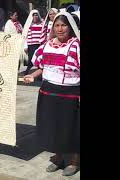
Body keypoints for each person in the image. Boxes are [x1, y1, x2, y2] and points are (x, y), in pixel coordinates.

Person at [23, 11, 80, 176]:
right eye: (57, 25)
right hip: (48, 92)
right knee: (53, 127)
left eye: (63, 25)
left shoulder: (76, 45)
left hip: (71, 93)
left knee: (72, 128)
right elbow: (42, 67)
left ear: (70, 27)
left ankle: (75, 160)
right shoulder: (47, 45)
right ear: (52, 27)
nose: (60, 29)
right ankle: (58, 157)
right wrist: (32, 75)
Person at [22, 9, 43, 75]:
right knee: (31, 59)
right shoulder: (28, 25)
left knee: (39, 58)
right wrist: (25, 46)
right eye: (34, 15)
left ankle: (38, 73)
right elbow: (25, 36)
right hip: (31, 45)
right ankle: (27, 72)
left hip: (39, 44)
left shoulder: (42, 24)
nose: (35, 17)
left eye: (36, 15)